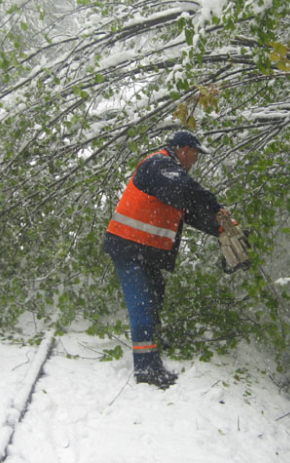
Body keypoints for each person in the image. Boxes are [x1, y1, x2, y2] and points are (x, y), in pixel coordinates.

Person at [104, 130, 230, 388]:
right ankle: (146, 368)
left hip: (144, 250)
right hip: (128, 248)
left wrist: (221, 228)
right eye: (195, 153)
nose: (196, 159)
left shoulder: (171, 177)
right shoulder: (160, 165)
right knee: (141, 305)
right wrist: (215, 205)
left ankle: (153, 347)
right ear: (183, 149)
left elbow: (189, 211)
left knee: (154, 297)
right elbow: (186, 189)